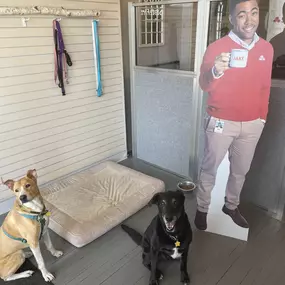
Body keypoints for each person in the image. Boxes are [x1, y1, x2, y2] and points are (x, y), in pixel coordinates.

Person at [194, 0, 274, 230]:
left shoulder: (266, 49)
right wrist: (215, 71)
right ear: (231, 19)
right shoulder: (216, 47)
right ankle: (202, 208)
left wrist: (262, 118)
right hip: (220, 121)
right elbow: (203, 84)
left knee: (240, 171)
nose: (249, 20)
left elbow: (264, 87)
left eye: (254, 13)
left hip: (252, 124)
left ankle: (230, 206)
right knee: (210, 168)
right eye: (242, 15)